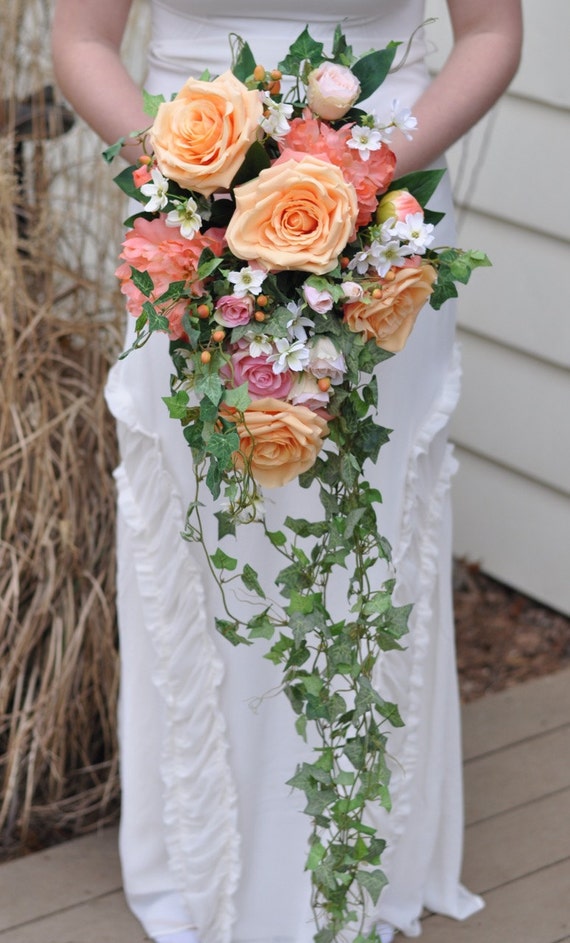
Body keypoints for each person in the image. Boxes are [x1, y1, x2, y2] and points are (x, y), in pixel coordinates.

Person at [51, 3, 522, 942]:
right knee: (203, 514)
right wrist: (193, 184)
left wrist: (357, 176)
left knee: (372, 515)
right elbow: (80, 40)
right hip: (187, 223)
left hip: (386, 218)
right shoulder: (187, 199)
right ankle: (202, 863)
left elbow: (493, 33)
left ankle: (359, 858)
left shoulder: (381, 188)